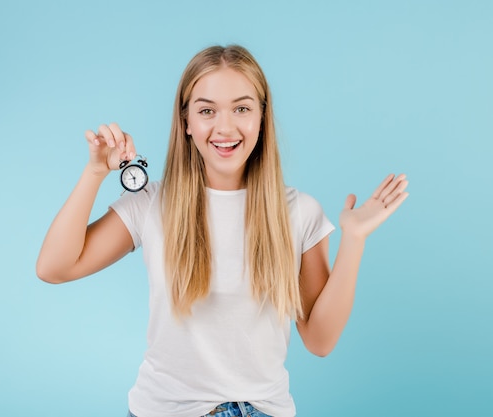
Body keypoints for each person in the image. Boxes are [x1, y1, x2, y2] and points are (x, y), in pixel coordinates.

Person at [36, 45, 409, 417]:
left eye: (242, 108)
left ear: (262, 118)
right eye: (206, 110)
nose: (225, 127)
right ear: (186, 121)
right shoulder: (151, 203)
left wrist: (355, 239)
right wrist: (95, 172)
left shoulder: (299, 212)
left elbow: (320, 340)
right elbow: (54, 267)